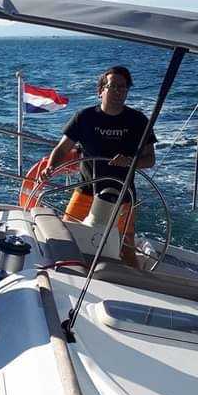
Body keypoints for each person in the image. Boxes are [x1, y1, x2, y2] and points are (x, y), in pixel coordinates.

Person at [40, 66, 156, 266]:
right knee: (66, 236)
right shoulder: (84, 118)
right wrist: (50, 167)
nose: (119, 91)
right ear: (101, 90)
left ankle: (139, 288)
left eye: (123, 87)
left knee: (126, 248)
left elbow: (150, 159)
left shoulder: (138, 121)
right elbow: (62, 149)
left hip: (122, 196)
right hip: (86, 190)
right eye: (113, 86)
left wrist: (129, 161)